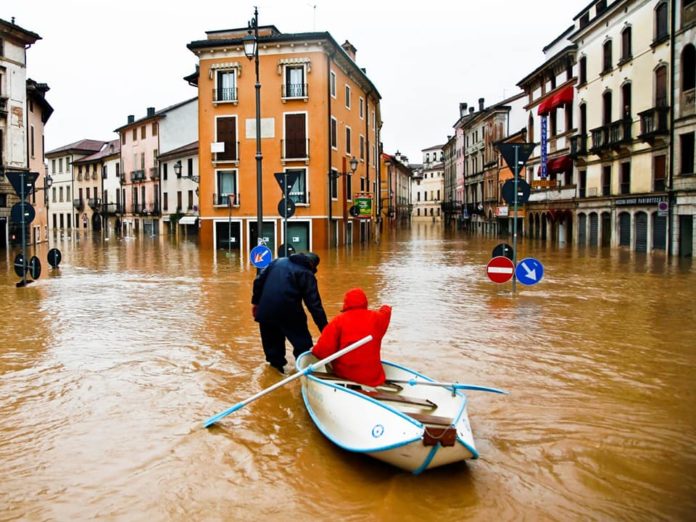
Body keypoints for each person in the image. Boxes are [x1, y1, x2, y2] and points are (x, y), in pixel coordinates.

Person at [251, 252, 328, 374]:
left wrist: (255, 303)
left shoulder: (276, 262)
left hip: (265, 312)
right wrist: (326, 330)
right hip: (290, 314)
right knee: (303, 347)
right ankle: (304, 374)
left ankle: (275, 376)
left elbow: (258, 281)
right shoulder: (306, 273)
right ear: (312, 265)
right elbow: (314, 305)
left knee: (273, 352)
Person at [312, 288, 391, 387]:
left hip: (347, 375)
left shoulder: (338, 321)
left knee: (328, 359)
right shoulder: (377, 318)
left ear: (345, 303)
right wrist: (385, 307)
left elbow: (323, 351)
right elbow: (386, 313)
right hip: (374, 377)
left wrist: (314, 351)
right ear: (365, 302)